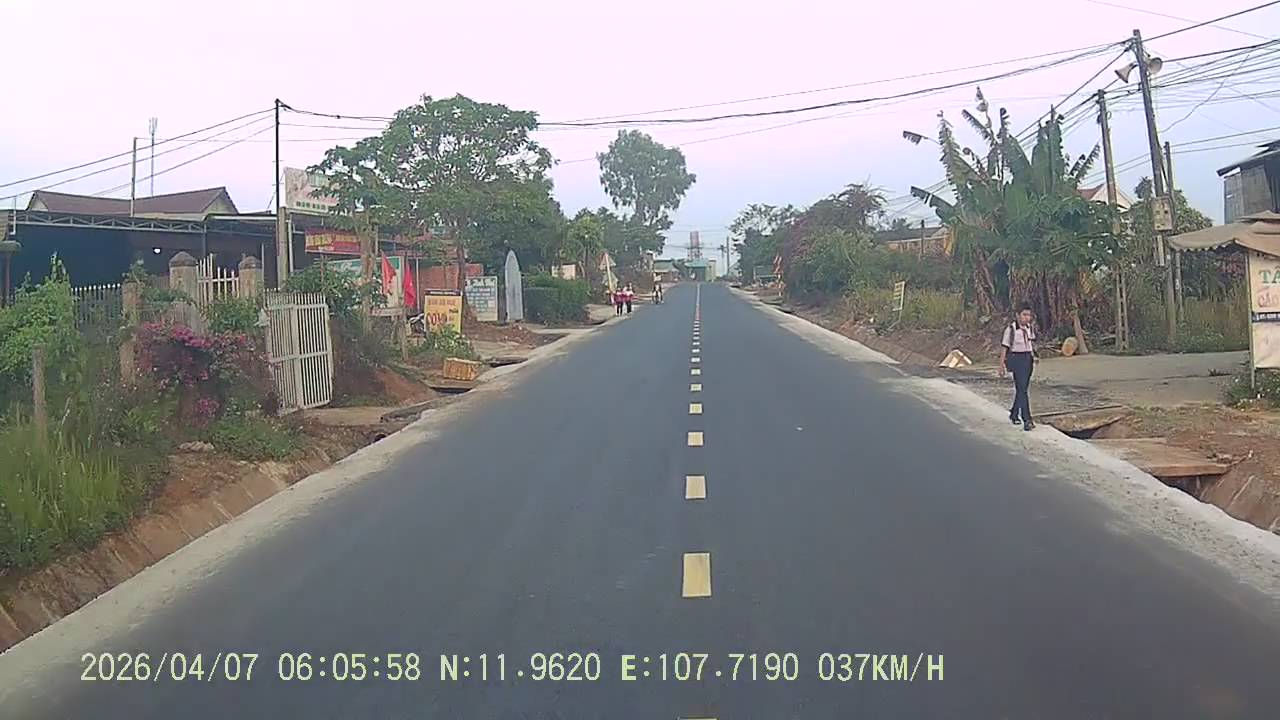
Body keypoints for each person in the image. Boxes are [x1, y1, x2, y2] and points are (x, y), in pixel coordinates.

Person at [1000, 304, 1037, 431]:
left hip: (1028, 359)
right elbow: (1004, 348)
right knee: (1022, 389)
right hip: (1016, 359)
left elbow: (1031, 343)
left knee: (1023, 389)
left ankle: (1014, 413)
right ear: (1017, 315)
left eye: (1029, 315)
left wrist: (1034, 356)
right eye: (1024, 315)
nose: (1027, 318)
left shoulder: (1029, 328)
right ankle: (1027, 419)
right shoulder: (1011, 330)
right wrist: (1001, 365)